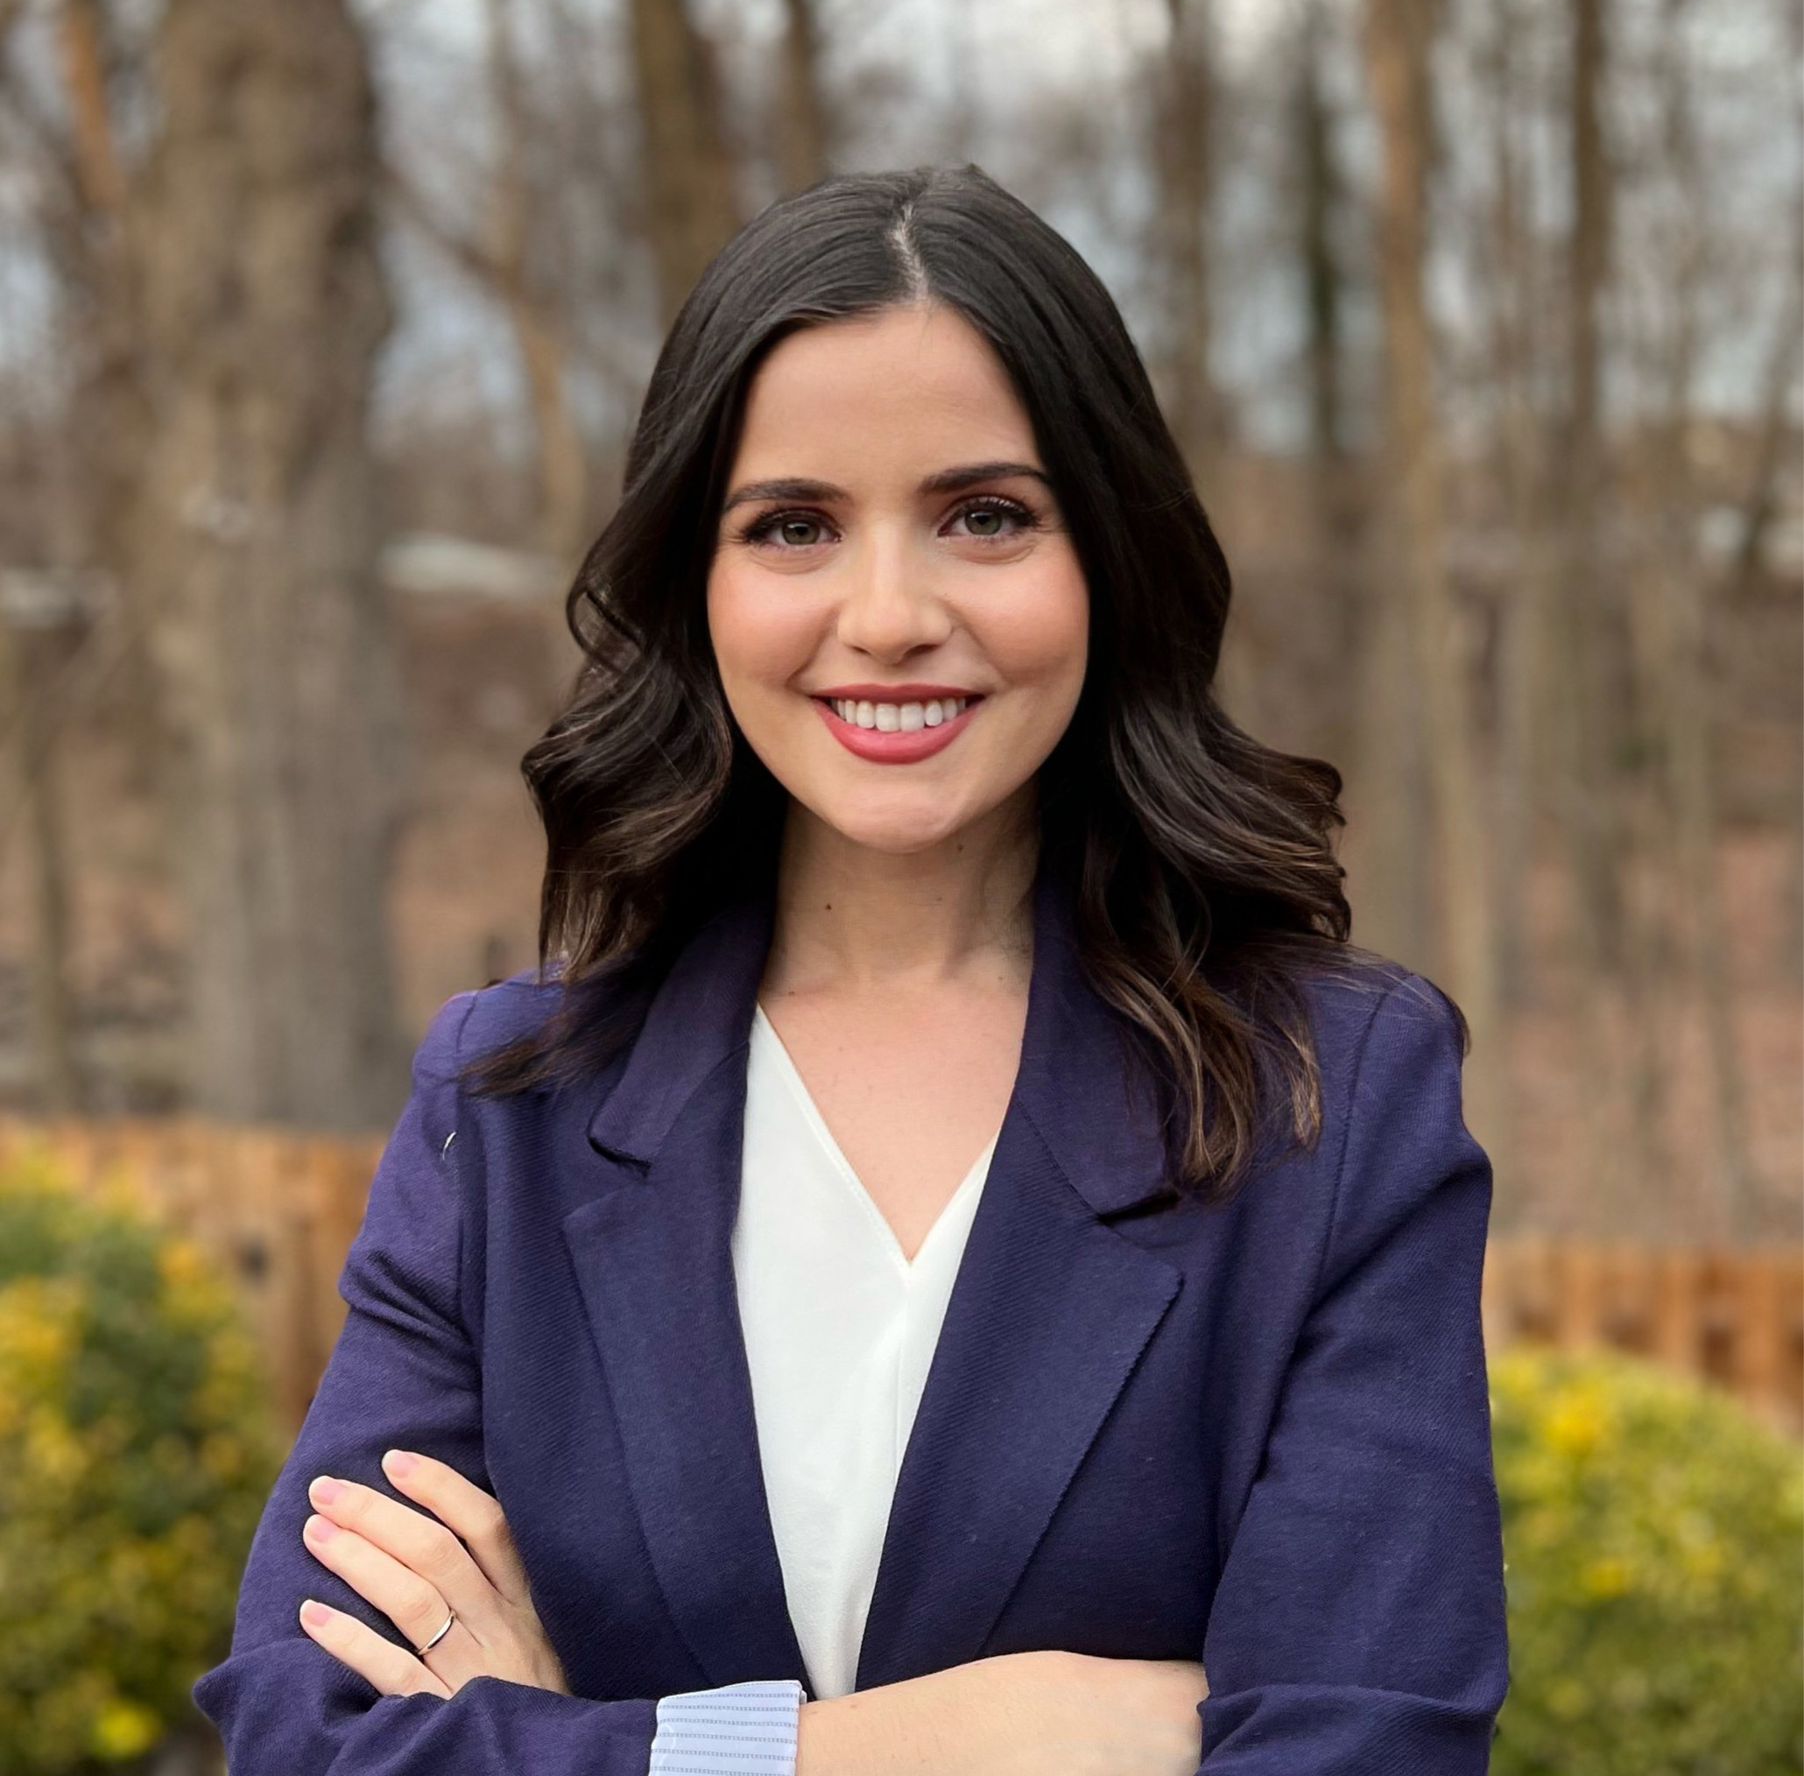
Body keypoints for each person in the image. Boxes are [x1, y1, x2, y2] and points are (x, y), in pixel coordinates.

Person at [192, 163, 1509, 1775]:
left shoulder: (1334, 1098)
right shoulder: (510, 1111)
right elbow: (305, 1740)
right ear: (703, 581)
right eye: (796, 525)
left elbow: (1362, 1752)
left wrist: (555, 1739)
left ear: (1111, 557)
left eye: (986, 516)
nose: (888, 615)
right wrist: (854, 1749)